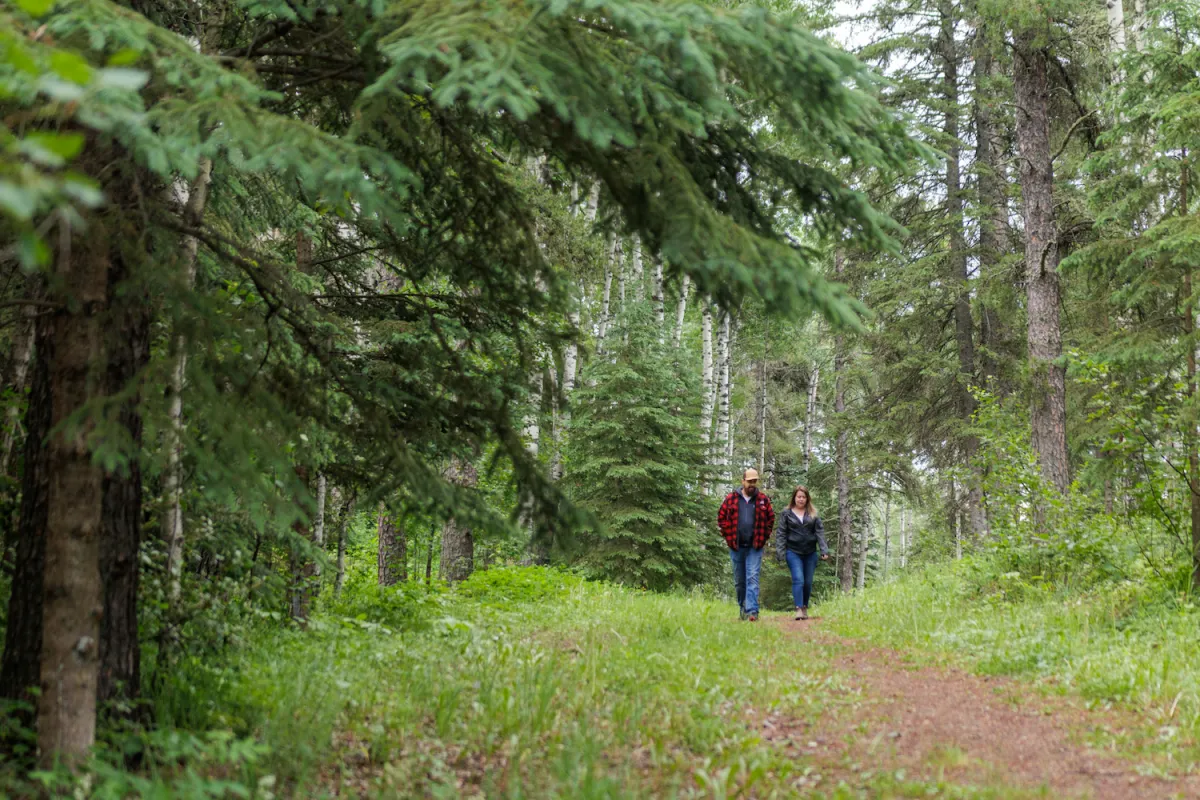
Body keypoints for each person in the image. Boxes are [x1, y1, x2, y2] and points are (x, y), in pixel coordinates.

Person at [717, 468, 775, 621]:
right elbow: (721, 518)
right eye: (749, 481)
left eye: (754, 481)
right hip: (736, 546)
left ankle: (752, 611)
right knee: (740, 581)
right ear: (743, 481)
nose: (752, 484)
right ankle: (743, 607)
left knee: (752, 577)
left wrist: (764, 537)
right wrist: (727, 535)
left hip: (754, 547)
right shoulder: (731, 499)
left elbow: (771, 519)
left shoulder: (763, 500)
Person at [774, 485, 829, 620]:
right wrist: (780, 551)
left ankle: (804, 606)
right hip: (793, 552)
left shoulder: (813, 514)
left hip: (810, 553)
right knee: (798, 579)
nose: (801, 499)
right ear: (794, 498)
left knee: (808, 582)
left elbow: (819, 532)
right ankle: (798, 608)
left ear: (807, 499)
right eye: (799, 496)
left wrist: (824, 549)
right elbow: (781, 533)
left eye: (803, 497)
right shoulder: (786, 513)